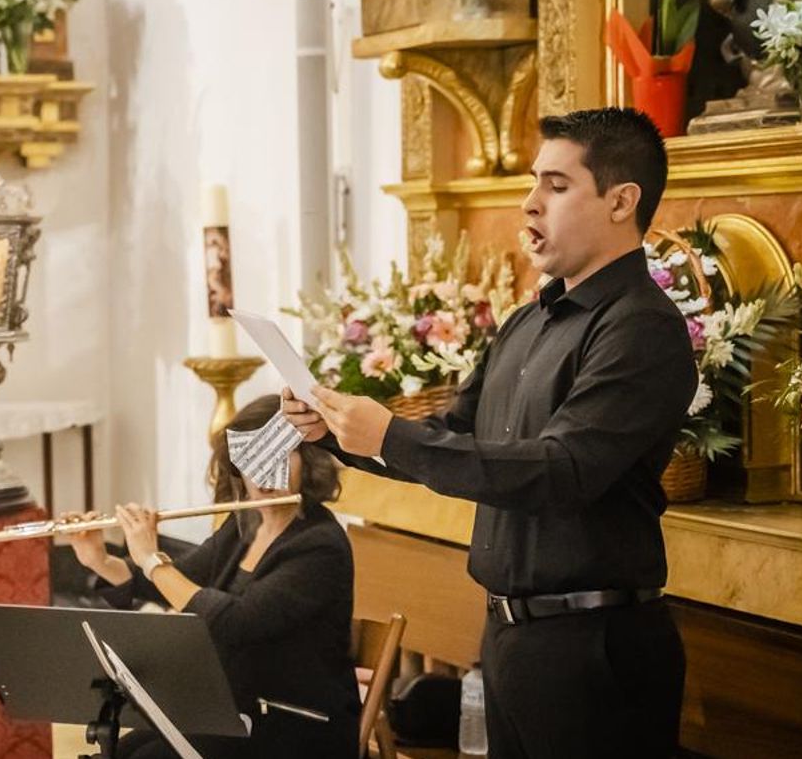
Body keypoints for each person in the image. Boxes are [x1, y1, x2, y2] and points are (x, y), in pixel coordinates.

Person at [283, 107, 696, 759]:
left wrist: (388, 435)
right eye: (534, 182)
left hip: (595, 648)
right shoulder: (527, 323)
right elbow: (454, 435)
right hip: (512, 639)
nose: (530, 203)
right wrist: (334, 430)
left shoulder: (640, 327)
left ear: (622, 201)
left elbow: (562, 470)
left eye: (556, 186)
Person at [63, 395, 360, 759]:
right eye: (252, 460)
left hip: (295, 724)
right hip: (232, 712)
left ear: (308, 462)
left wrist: (151, 558)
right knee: (117, 753)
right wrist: (99, 558)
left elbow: (236, 622)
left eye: (278, 457)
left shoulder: (319, 545)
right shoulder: (243, 529)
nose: (263, 476)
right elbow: (171, 582)